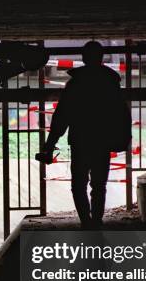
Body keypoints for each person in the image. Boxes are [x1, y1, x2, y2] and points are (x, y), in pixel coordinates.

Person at [36, 41, 131, 229]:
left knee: (78, 185)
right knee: (99, 185)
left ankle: (86, 222)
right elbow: (122, 113)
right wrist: (123, 138)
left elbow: (62, 116)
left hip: (80, 141)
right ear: (101, 57)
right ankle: (96, 221)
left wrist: (50, 144)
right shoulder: (111, 83)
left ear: (84, 58)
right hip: (103, 141)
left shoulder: (75, 84)